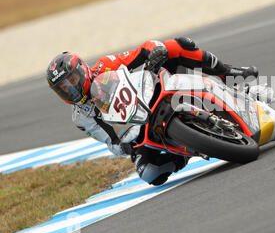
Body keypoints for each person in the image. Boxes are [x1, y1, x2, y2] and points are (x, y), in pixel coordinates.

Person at [47, 37, 260, 186]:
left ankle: (228, 72)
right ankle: (184, 152)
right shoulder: (81, 117)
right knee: (150, 174)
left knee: (177, 45)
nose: (71, 89)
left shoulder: (105, 66)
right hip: (140, 131)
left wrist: (155, 53)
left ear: (82, 70)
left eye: (72, 81)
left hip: (152, 91)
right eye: (63, 89)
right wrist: (126, 148)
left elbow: (144, 50)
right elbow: (109, 140)